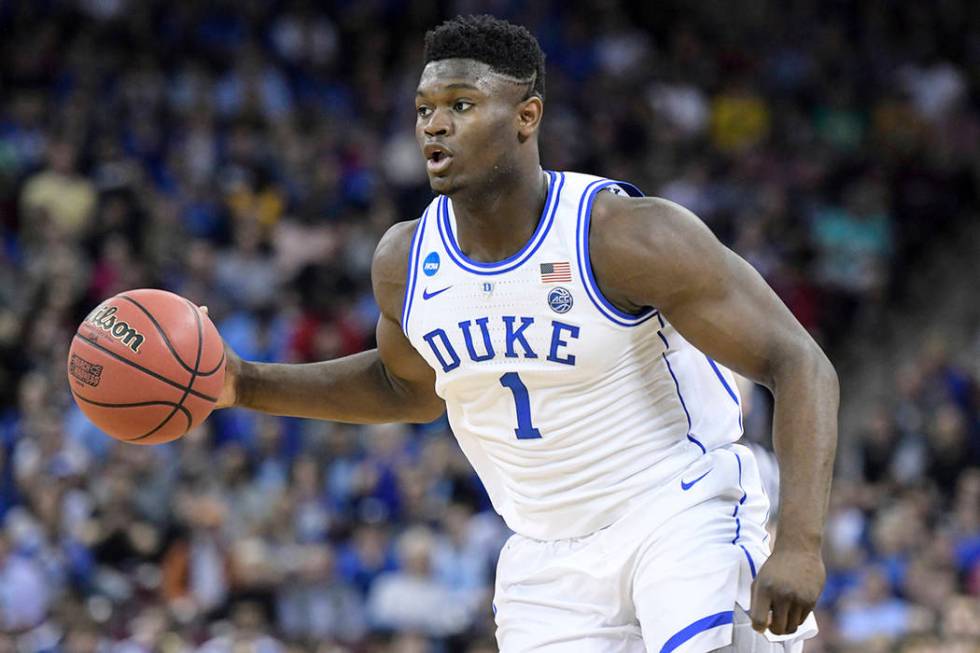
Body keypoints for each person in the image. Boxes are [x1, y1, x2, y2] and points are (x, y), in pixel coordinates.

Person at [210, 15, 838, 652]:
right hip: (545, 555)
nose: (435, 124)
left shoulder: (622, 235)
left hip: (677, 511)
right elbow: (408, 390)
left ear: (526, 116)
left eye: (462, 104)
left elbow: (797, 361)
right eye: (424, 108)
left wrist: (800, 546)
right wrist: (243, 383)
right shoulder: (405, 261)